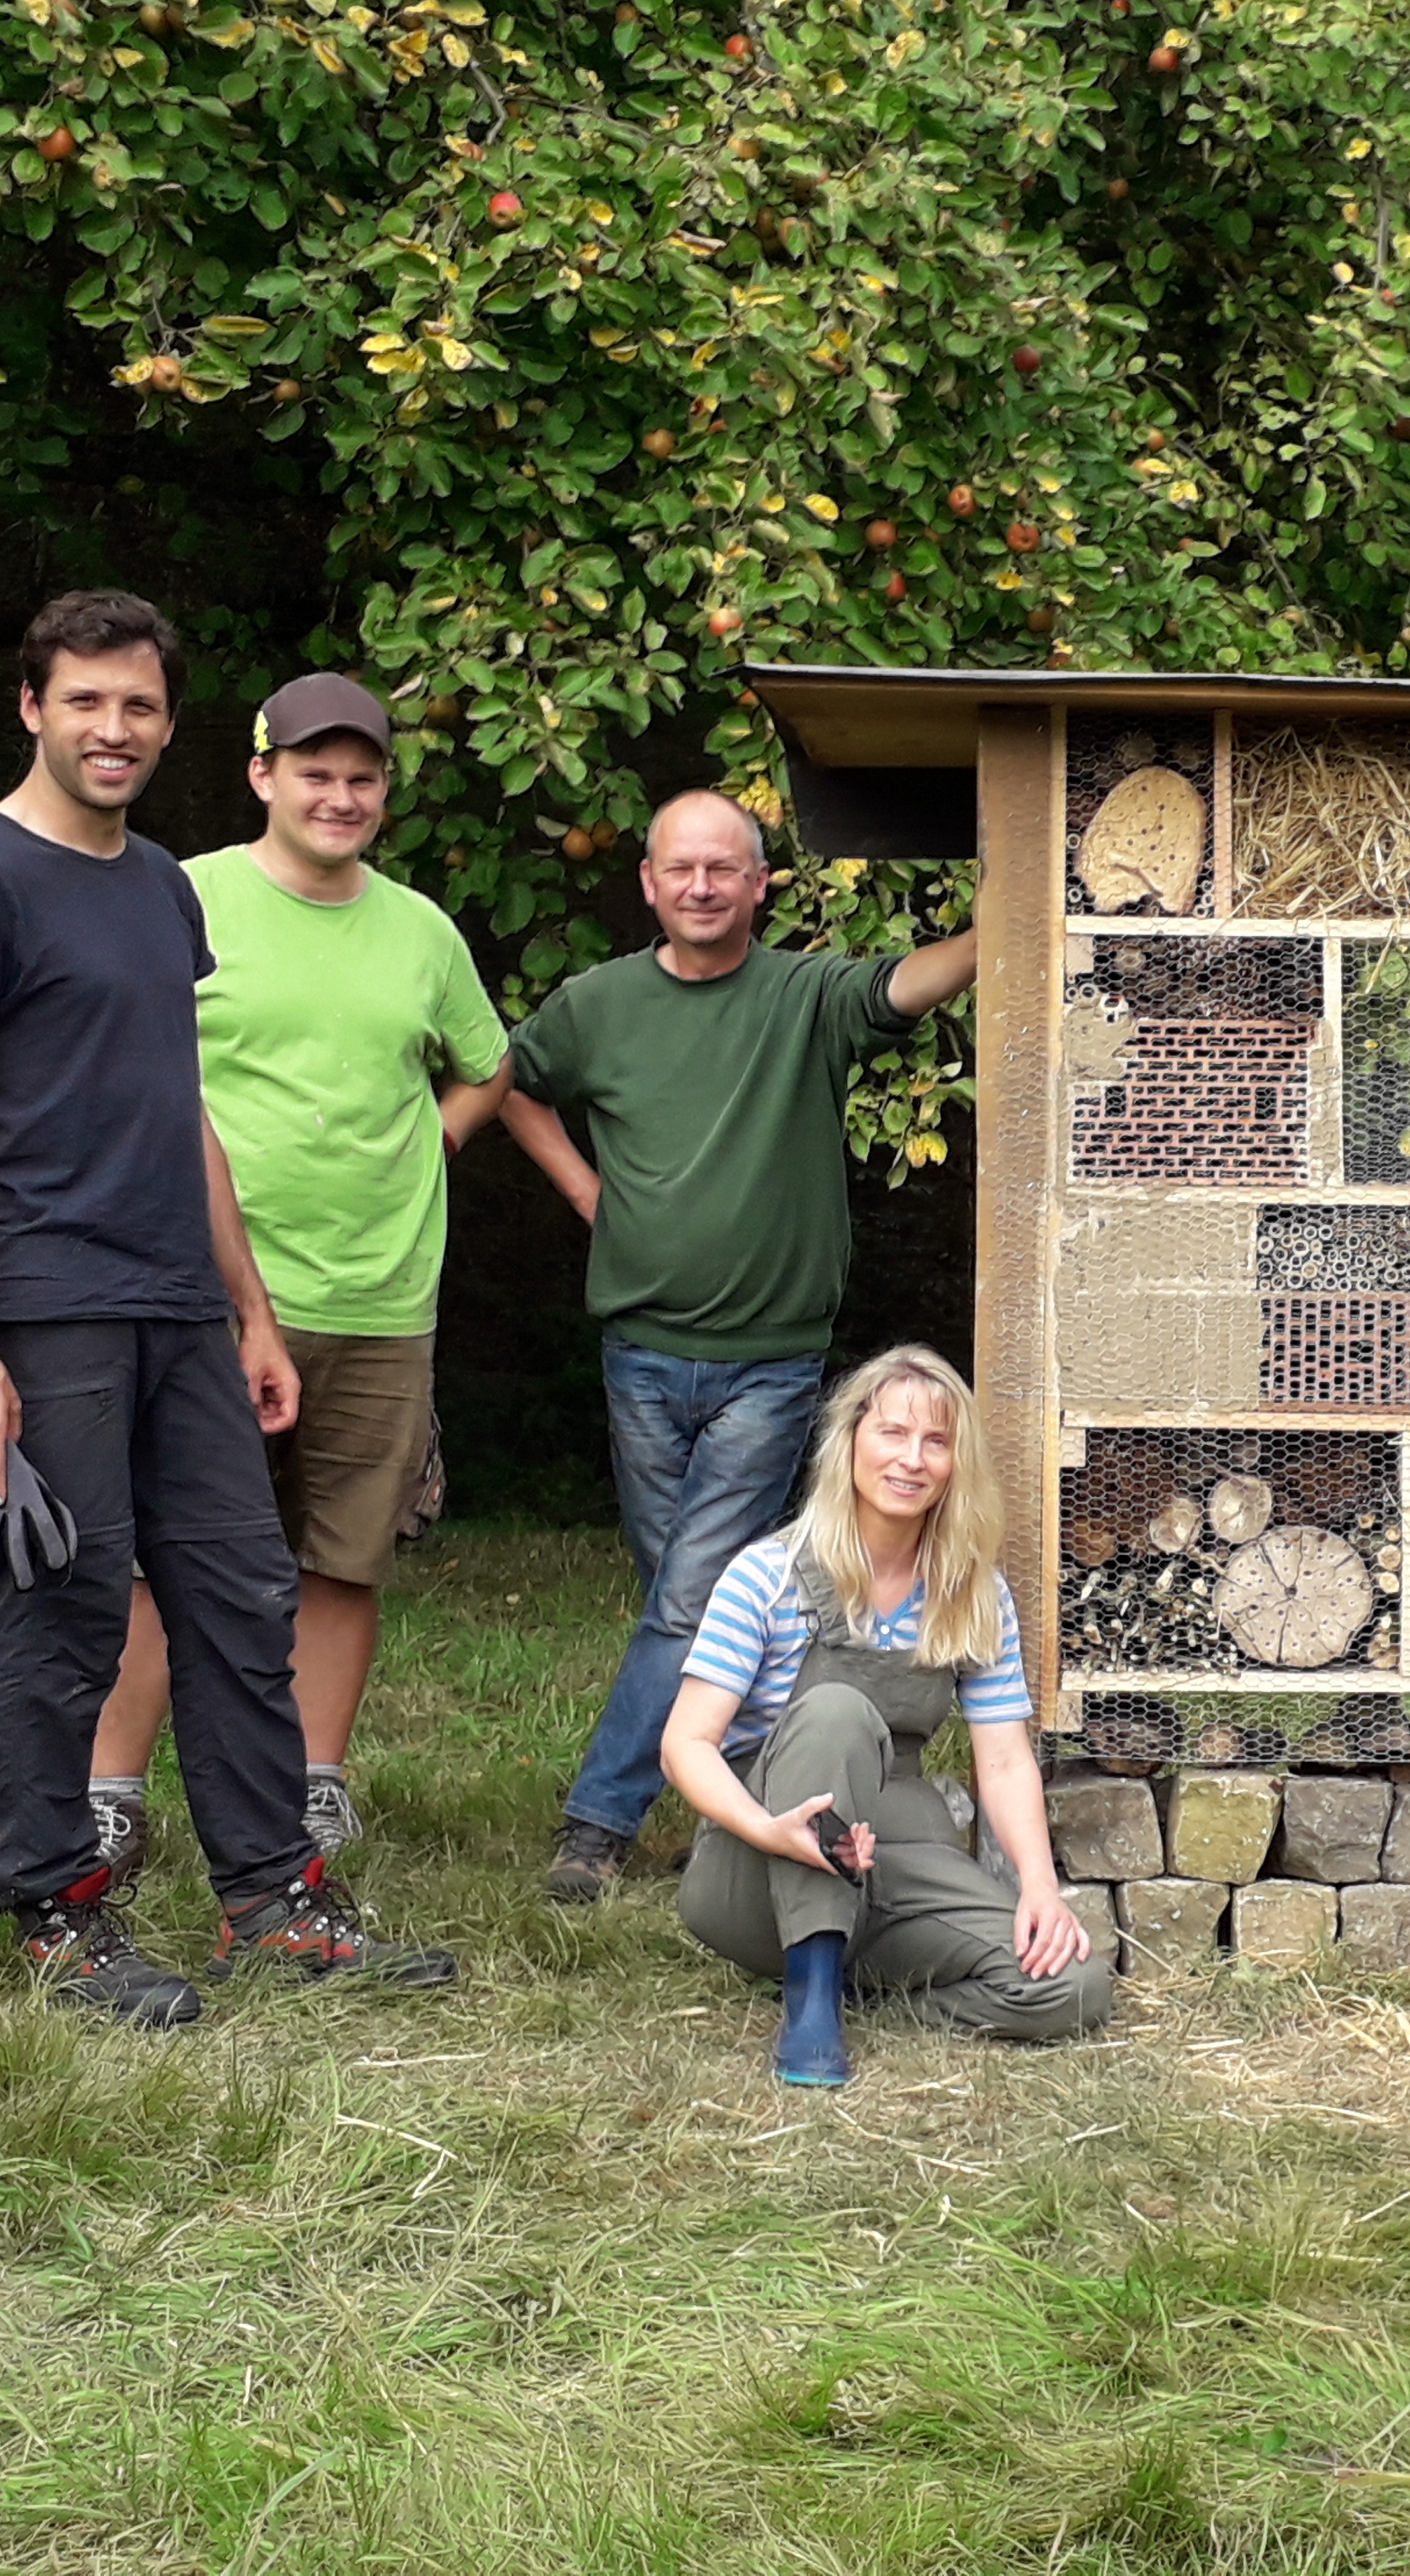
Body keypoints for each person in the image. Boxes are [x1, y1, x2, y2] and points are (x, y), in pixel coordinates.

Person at [0, 592, 453, 2025]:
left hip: (182, 1310)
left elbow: (183, 1110)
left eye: (138, 705)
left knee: (242, 1594)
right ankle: (54, 1912)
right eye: (84, 700)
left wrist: (248, 1311)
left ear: (169, 723)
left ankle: (273, 1901)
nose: (113, 728)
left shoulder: (157, 885)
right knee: (71, 1606)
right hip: (49, 1302)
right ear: (32, 706)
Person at [505, 791, 978, 1904]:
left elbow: (908, 983)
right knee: (699, 1603)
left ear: (760, 885)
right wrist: (584, 1188)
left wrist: (1005, 916)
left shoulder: (803, 996)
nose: (702, 886)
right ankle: (756, 1798)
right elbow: (512, 1085)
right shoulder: (597, 1004)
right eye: (681, 868)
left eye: (725, 868)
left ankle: (596, 1826)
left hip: (770, 1361)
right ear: (648, 883)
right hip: (640, 1351)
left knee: (692, 1599)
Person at [82, 674, 512, 1888]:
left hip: (378, 1300)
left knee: (343, 1556)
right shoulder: (185, 896)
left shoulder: (422, 931)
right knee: (161, 1557)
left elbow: (487, 1064)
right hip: (203, 1296)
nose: (340, 797)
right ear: (261, 776)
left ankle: (311, 1786)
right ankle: (110, 1795)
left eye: (363, 779)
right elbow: (113, 1054)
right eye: (314, 774)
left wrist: (430, 1143)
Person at [661, 1343, 1109, 2082]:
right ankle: (811, 1999)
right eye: (892, 1433)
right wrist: (768, 1830)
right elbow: (685, 1745)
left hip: (893, 1867)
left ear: (957, 1464)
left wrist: (1038, 1885)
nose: (912, 1459)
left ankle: (867, 1992)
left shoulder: (973, 1594)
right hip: (753, 1873)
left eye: (936, 1441)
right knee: (836, 1712)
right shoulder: (768, 1575)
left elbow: (1003, 1760)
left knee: (1073, 1985)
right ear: (850, 1441)